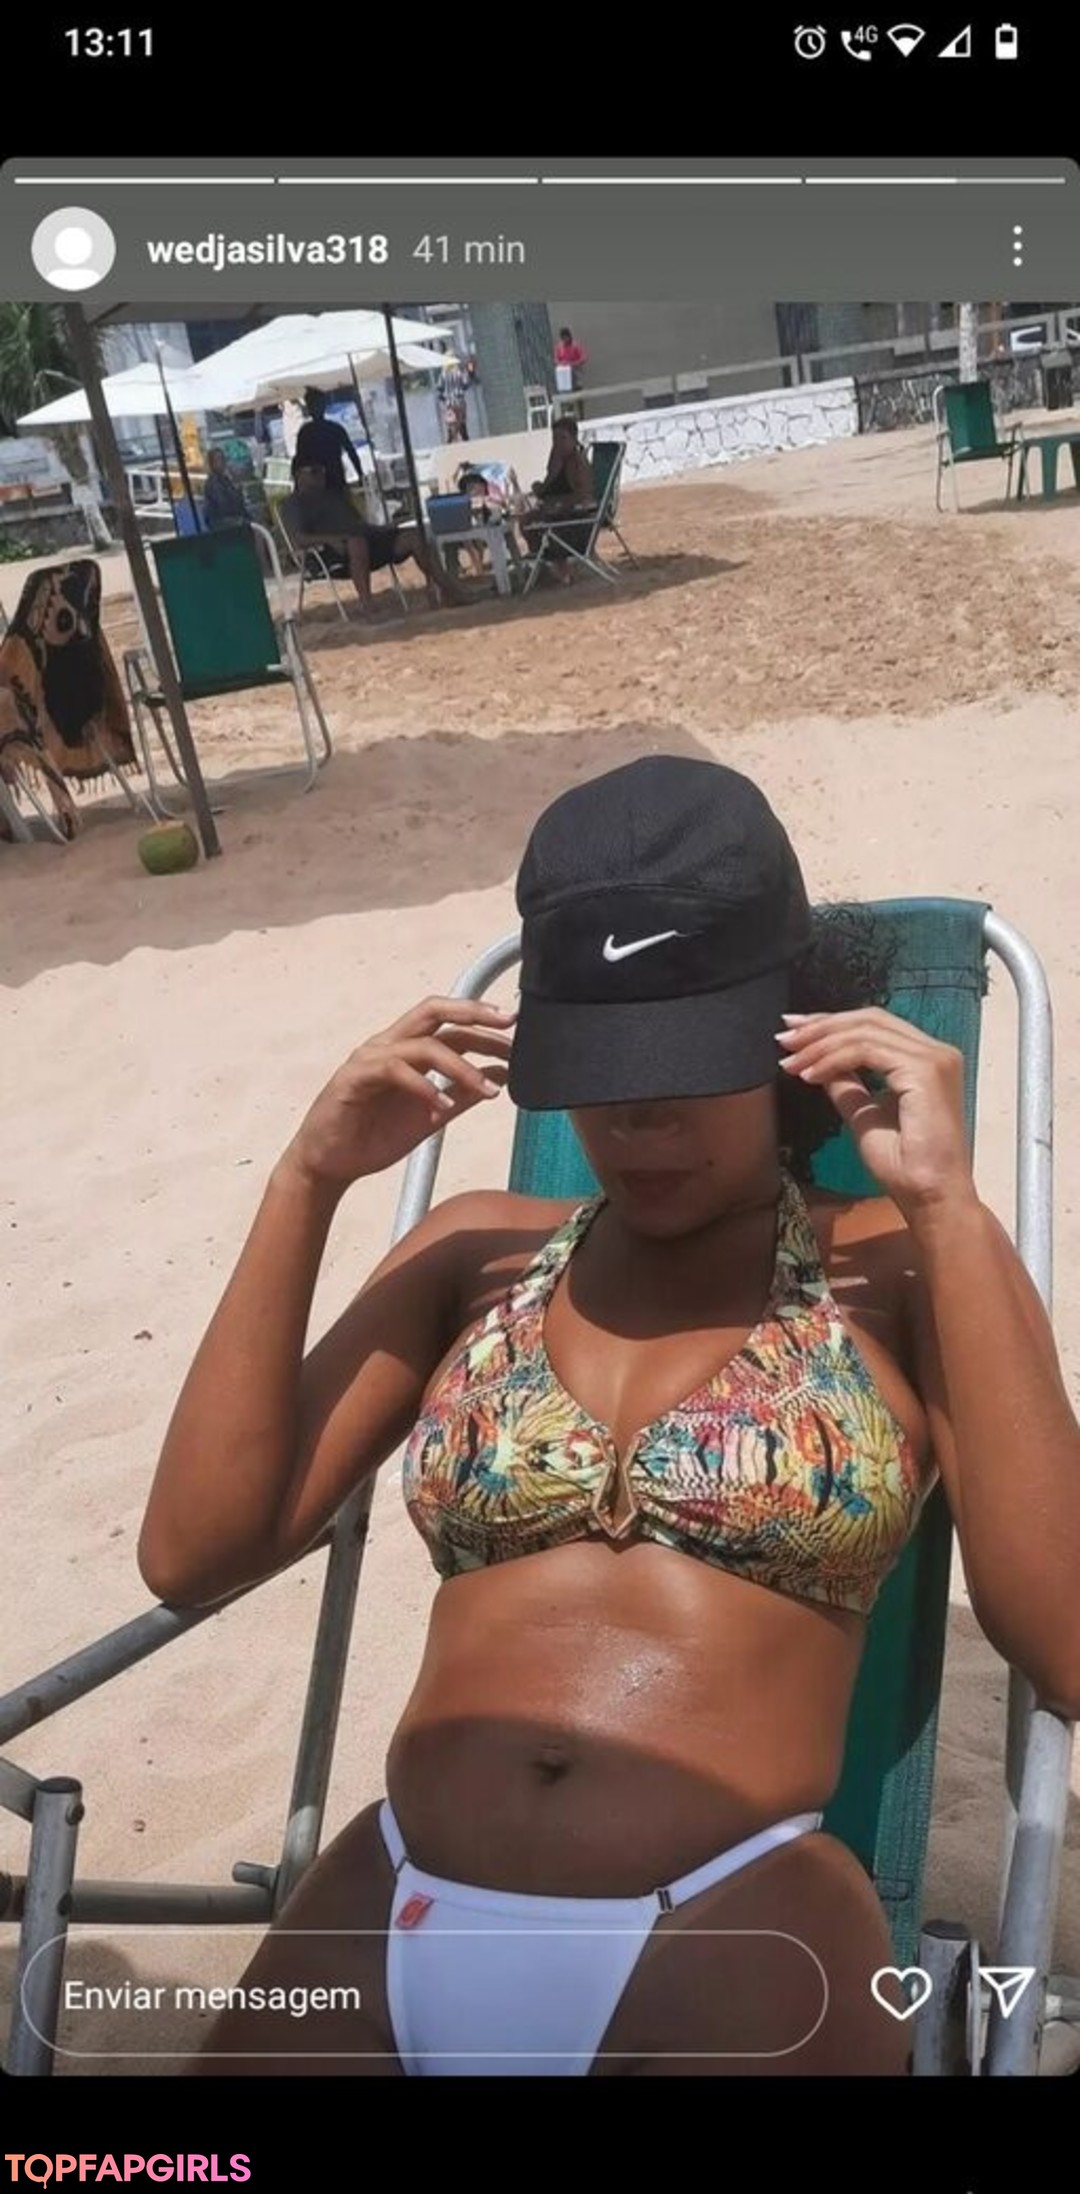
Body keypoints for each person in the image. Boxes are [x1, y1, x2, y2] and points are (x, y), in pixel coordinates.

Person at [138, 754, 1080, 2079]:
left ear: (787, 1029)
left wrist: (952, 1209)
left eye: (683, 1068)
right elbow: (194, 1552)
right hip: (392, 1900)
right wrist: (309, 1179)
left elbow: (1067, 1644)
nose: (638, 1123)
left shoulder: (902, 1265)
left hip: (734, 1924)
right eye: (603, 1070)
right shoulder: (472, 1250)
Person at [285, 387, 469, 613]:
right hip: (332, 551)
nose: (320, 475)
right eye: (314, 472)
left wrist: (381, 528)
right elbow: (299, 539)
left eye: (322, 470)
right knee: (356, 542)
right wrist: (332, 539)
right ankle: (368, 605)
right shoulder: (295, 503)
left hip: (364, 541)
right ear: (298, 475)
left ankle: (447, 589)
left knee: (414, 536)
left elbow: (358, 523)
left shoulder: (336, 494)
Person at [519, 417, 598, 584]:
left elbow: (585, 497)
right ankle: (546, 564)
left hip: (574, 517)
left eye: (563, 438)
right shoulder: (557, 459)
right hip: (555, 510)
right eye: (554, 439)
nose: (558, 443)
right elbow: (550, 485)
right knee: (526, 520)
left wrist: (560, 505)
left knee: (534, 522)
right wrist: (540, 488)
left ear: (574, 438)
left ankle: (555, 567)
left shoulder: (578, 463)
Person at [202, 449, 248, 532]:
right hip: (221, 523)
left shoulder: (226, 479)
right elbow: (224, 506)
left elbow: (240, 505)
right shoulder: (212, 483)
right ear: (211, 464)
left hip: (232, 519)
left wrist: (237, 489)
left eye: (222, 459)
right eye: (217, 460)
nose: (222, 463)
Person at [554, 324, 587, 420]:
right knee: (568, 399)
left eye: (567, 338)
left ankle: (581, 416)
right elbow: (556, 360)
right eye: (563, 338)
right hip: (565, 377)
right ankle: (570, 417)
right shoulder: (559, 347)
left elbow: (584, 358)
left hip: (575, 375)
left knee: (578, 396)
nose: (565, 340)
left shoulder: (575, 346)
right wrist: (562, 364)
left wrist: (573, 364)